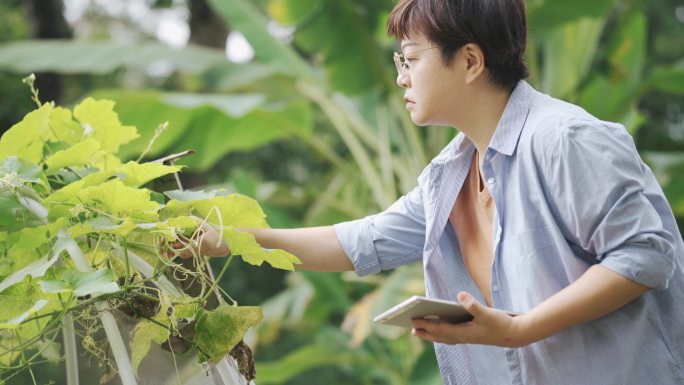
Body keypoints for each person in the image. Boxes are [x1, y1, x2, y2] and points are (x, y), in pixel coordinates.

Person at [172, 0, 684, 383]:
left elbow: (643, 255)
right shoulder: (450, 172)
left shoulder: (564, 139)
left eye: (410, 59)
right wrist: (226, 239)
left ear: (469, 62)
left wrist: (519, 329)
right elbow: (358, 242)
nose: (401, 77)